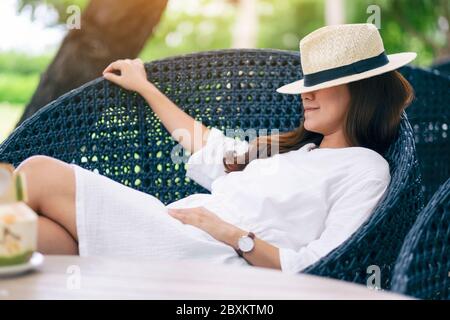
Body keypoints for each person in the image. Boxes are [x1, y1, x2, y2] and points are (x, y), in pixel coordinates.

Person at [13, 23, 416, 274]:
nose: (307, 96)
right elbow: (204, 145)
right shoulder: (298, 153)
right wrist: (147, 87)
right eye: (307, 86)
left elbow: (317, 264)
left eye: (321, 86)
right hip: (178, 230)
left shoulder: (365, 168)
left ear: (362, 90)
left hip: (208, 255)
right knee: (38, 241)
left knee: (37, 173)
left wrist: (229, 233)